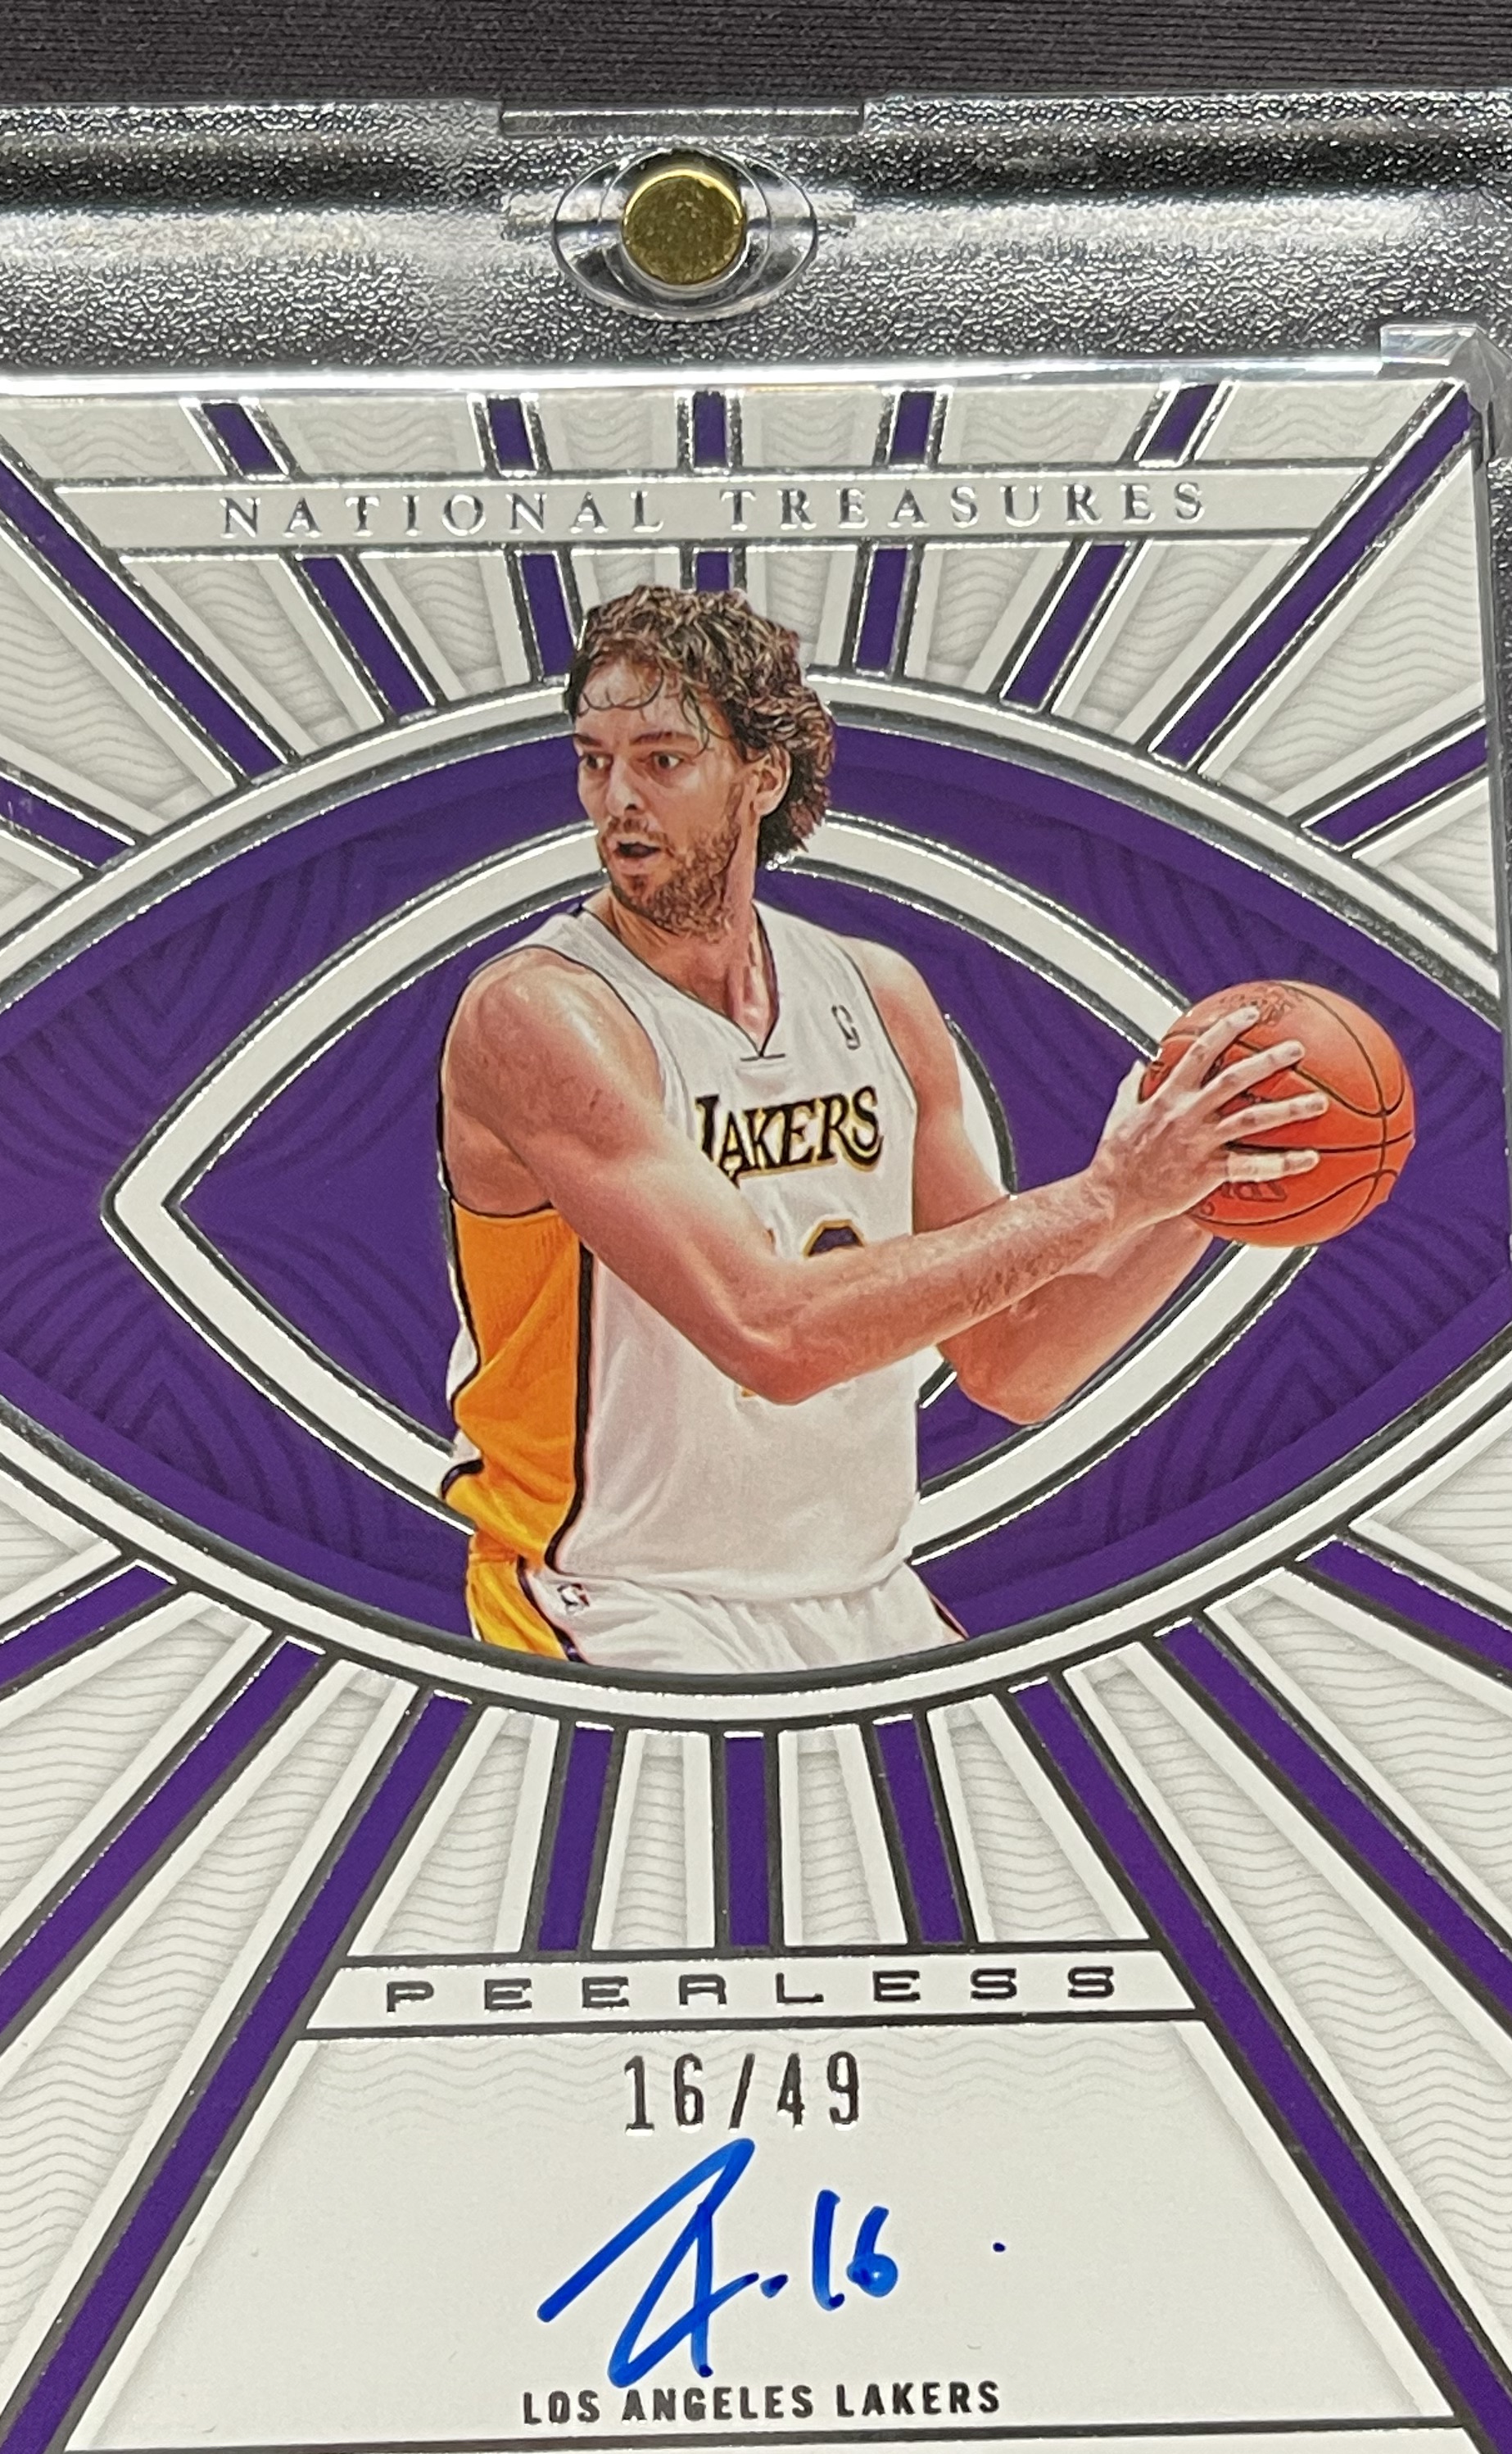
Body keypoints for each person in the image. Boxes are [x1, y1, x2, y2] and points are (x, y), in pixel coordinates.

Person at [436, 582, 1320, 1673]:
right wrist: (1108, 1197)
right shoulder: (541, 1015)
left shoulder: (875, 995)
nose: (617, 799)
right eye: (593, 760)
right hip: (617, 1600)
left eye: (662, 760)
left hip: (865, 1594)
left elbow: (1014, 1360)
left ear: (763, 775)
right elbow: (771, 1336)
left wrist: (1204, 1187)